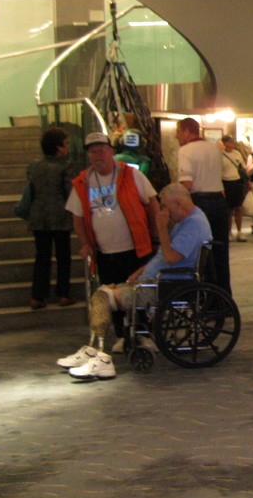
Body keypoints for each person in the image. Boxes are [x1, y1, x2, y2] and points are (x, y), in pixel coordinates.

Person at [57, 183, 212, 380]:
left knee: (102, 297)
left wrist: (161, 229)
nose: (163, 211)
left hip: (165, 286)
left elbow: (171, 257)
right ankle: (92, 349)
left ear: (179, 203)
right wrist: (141, 270)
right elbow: (164, 257)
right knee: (104, 292)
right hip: (156, 280)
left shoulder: (194, 224)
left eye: (164, 206)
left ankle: (100, 355)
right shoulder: (187, 221)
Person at [67, 131, 159, 287]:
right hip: (104, 255)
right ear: (88, 156)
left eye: (101, 150)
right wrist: (85, 243)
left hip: (136, 251)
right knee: (111, 296)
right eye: (93, 152)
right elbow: (78, 218)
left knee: (137, 295)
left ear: (111, 151)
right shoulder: (82, 182)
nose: (98, 155)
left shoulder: (132, 175)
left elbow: (153, 205)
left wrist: (156, 237)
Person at [175, 117, 231, 295]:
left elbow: (187, 184)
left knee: (202, 254)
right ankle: (224, 297)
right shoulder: (215, 148)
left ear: (186, 131)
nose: (177, 137)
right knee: (221, 252)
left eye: (178, 132)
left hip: (199, 202)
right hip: (219, 202)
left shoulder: (185, 151)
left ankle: (207, 297)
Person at [26, 127, 77, 309]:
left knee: (42, 257)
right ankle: (63, 294)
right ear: (58, 148)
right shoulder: (66, 166)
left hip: (39, 217)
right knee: (63, 256)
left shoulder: (34, 166)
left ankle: (37, 296)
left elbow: (31, 190)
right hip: (60, 217)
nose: (67, 147)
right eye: (65, 144)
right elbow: (70, 193)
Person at [220, 134, 248, 242]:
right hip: (226, 182)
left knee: (238, 208)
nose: (232, 143)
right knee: (228, 209)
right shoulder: (221, 155)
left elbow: (243, 168)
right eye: (230, 141)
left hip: (237, 182)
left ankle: (239, 231)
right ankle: (229, 232)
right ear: (225, 143)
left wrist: (248, 182)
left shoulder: (237, 154)